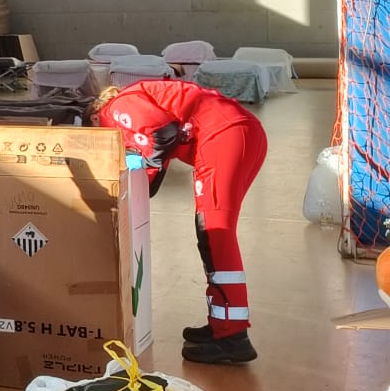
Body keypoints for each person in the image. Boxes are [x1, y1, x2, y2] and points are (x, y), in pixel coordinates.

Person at [96, 78, 267, 365]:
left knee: (214, 232)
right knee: (212, 232)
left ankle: (232, 337)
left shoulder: (113, 109)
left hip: (224, 134)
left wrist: (144, 180)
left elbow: (163, 134)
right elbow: (159, 149)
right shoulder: (140, 98)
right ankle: (222, 323)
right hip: (239, 132)